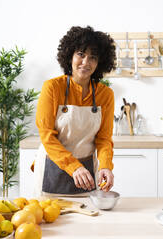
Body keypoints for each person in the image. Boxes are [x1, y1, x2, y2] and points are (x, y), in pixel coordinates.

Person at [32, 26, 116, 197]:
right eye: (81, 54)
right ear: (69, 55)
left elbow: (104, 138)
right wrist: (73, 166)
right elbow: (47, 135)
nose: (86, 62)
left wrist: (106, 165)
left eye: (93, 57)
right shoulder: (53, 88)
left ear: (100, 63)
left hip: (87, 172)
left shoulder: (105, 94)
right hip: (52, 168)